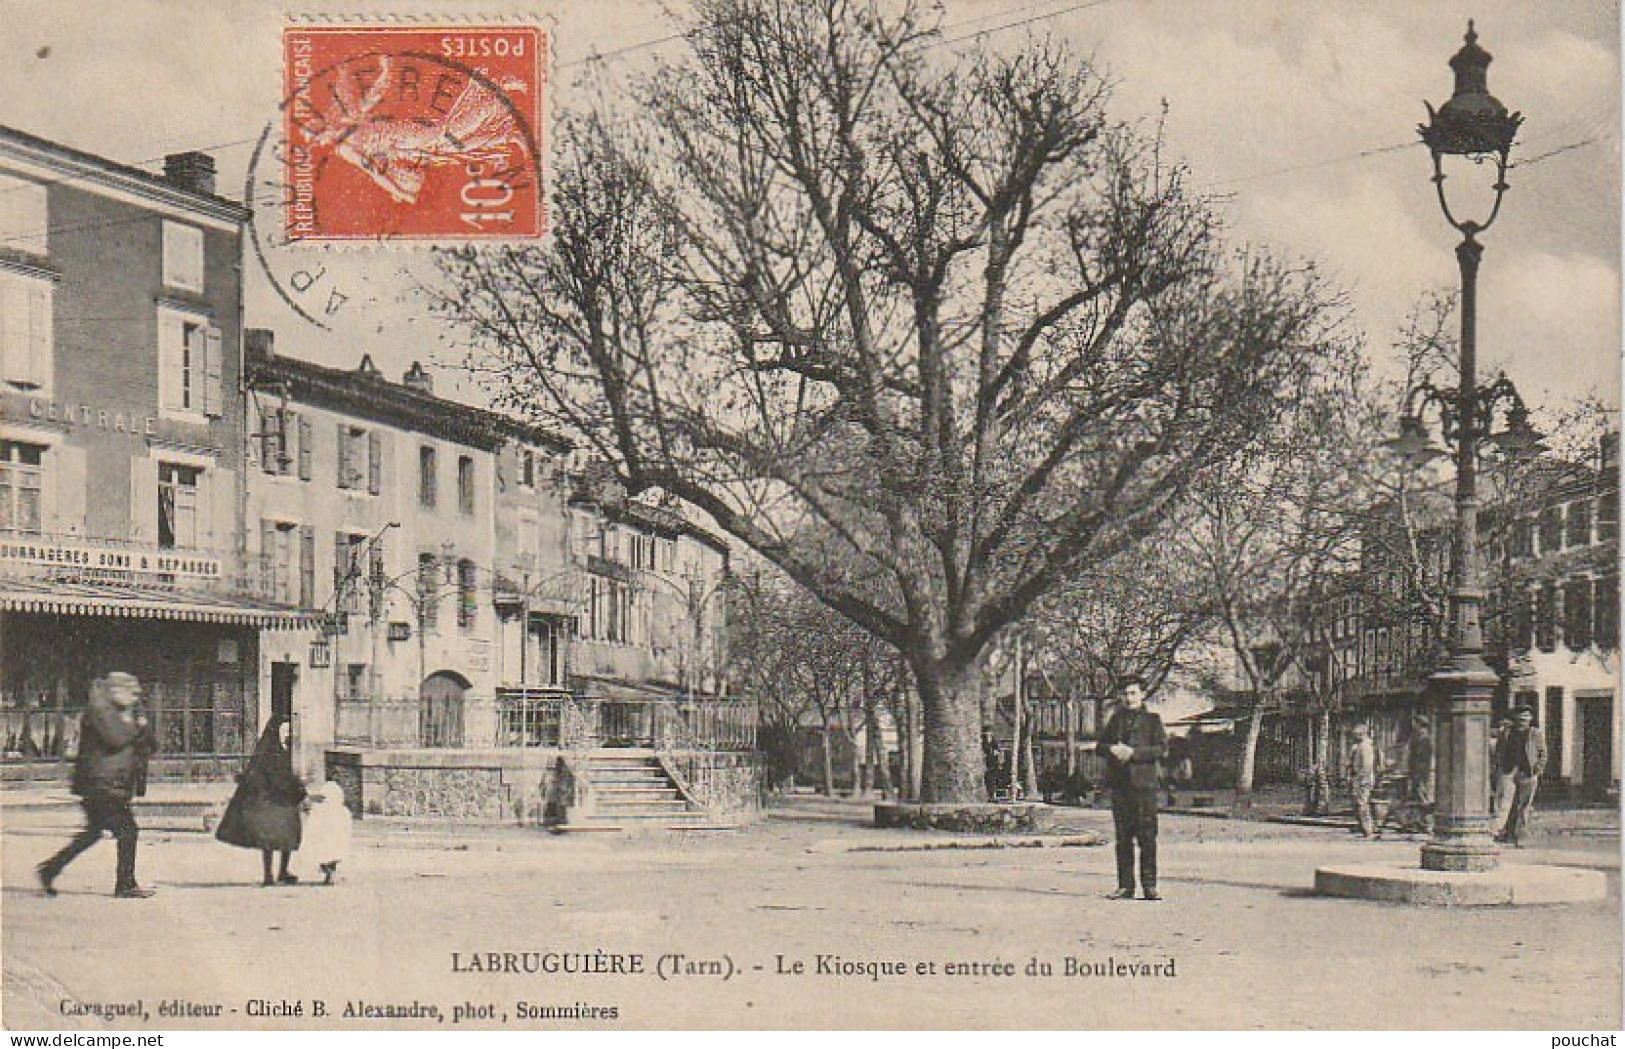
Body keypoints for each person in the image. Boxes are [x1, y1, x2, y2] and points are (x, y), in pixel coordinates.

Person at [37, 673, 157, 898]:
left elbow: (150, 744)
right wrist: (136, 724)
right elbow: (116, 739)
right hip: (100, 784)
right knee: (128, 831)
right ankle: (125, 885)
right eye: (131, 692)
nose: (135, 697)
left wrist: (140, 724)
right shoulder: (100, 711)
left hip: (111, 784)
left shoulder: (123, 713)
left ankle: (49, 870)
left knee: (92, 833)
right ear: (116, 690)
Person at [1095, 677, 1166, 901]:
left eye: (1133, 693)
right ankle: (1125, 886)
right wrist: (1112, 749)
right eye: (1125, 694)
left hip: (1145, 788)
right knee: (1123, 839)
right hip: (1121, 788)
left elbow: (1162, 749)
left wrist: (1134, 753)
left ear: (1143, 694)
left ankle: (1150, 885)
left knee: (1147, 838)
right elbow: (1100, 747)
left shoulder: (1153, 720)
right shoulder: (1115, 719)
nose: (1129, 698)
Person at [216, 716, 307, 885]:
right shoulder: (270, 753)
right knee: (270, 839)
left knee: (287, 837)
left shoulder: (284, 750)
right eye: (285, 730)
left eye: (289, 730)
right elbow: (273, 777)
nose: (288, 734)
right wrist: (294, 787)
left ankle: (282, 872)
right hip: (272, 802)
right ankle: (268, 875)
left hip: (284, 800)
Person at [1493, 706, 1547, 847]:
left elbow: (1543, 753)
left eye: (1526, 717)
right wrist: (1499, 767)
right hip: (1508, 771)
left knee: (1524, 806)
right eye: (1520, 718)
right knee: (1503, 803)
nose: (1523, 721)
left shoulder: (1535, 734)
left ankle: (1521, 836)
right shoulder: (1506, 733)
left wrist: (1538, 769)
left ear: (1530, 719)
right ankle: (1498, 832)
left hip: (1527, 772)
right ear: (1515, 718)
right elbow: (1498, 751)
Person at [292, 780, 353, 885]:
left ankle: (330, 873)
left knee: (326, 851)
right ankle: (330, 873)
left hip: (327, 828)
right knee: (329, 851)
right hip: (329, 829)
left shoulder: (323, 809)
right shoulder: (340, 811)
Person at [1346, 723, 1378, 839]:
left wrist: (1360, 779)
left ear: (1362, 733)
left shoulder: (1365, 747)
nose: (1354, 736)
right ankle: (1363, 827)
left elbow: (1367, 765)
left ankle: (1368, 829)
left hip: (1363, 780)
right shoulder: (1359, 746)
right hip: (1359, 778)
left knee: (1362, 804)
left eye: (1356, 734)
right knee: (1358, 803)